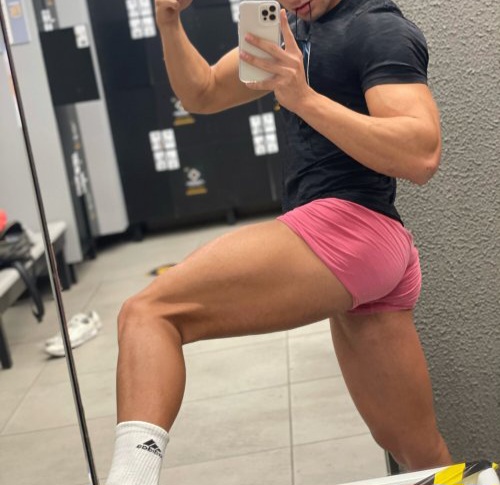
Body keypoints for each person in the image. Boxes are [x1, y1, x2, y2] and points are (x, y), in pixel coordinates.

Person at [105, 0, 453, 483]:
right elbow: (203, 92)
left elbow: (422, 152)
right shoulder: (286, 28)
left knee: (148, 313)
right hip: (375, 252)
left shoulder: (375, 28)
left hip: (349, 227)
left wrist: (303, 98)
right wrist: (168, 21)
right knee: (415, 447)